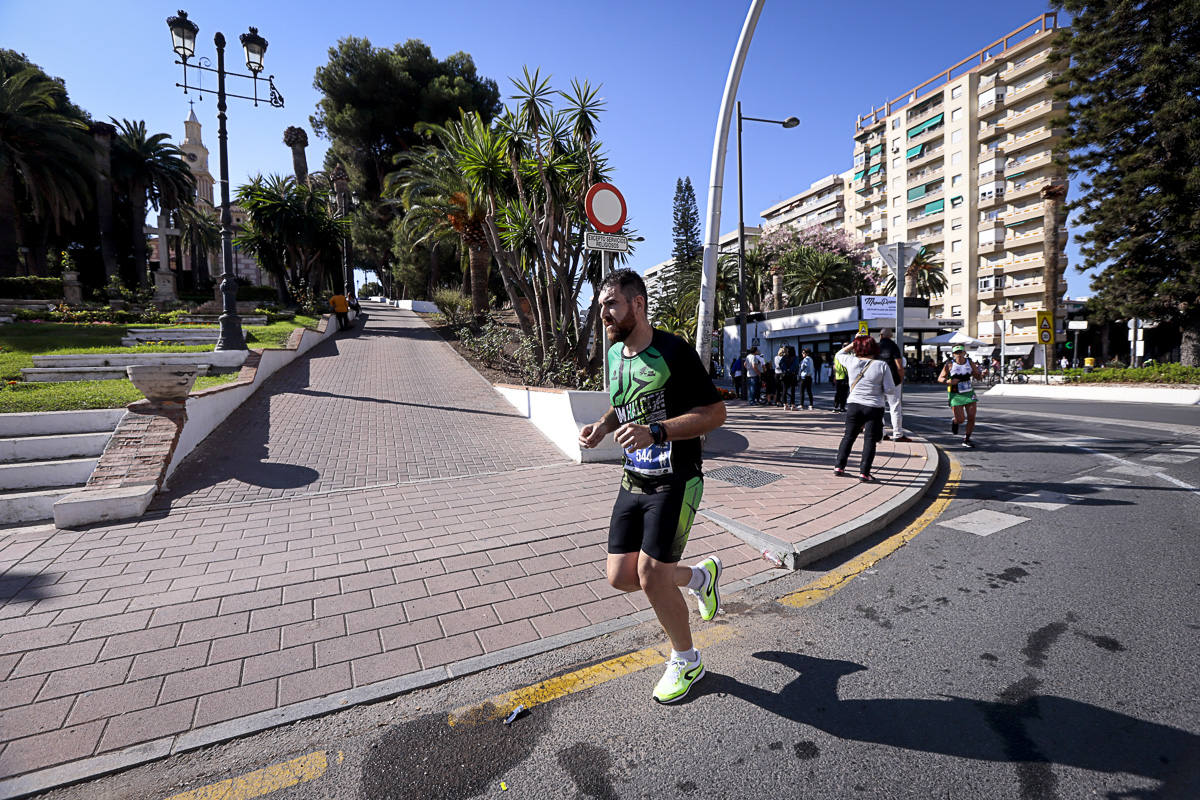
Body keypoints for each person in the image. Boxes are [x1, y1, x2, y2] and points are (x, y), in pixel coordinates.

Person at [579, 269, 727, 704]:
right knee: (621, 576)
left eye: (611, 304)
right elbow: (622, 402)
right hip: (634, 478)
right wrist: (604, 427)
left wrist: (657, 431)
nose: (603, 312)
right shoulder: (613, 352)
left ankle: (687, 659)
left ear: (637, 305)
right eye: (602, 304)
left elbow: (715, 414)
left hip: (676, 479)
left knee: (650, 575)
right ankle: (701, 578)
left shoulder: (673, 351)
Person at [834, 335, 896, 482]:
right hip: (874, 407)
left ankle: (839, 466)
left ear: (857, 348)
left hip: (854, 405)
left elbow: (838, 354)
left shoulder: (851, 361)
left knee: (849, 436)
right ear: (874, 348)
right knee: (869, 440)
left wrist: (852, 343)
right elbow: (890, 390)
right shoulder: (881, 365)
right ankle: (864, 472)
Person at [939, 344, 982, 448]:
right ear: (953, 354)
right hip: (955, 394)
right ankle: (955, 421)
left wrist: (980, 375)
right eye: (956, 353)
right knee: (961, 420)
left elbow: (977, 376)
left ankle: (966, 439)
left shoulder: (969, 362)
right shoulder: (949, 364)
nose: (959, 355)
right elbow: (940, 378)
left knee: (971, 417)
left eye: (960, 352)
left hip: (969, 393)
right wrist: (948, 381)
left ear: (964, 353)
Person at [877, 328, 910, 442]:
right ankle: (897, 434)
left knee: (879, 407)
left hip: (878, 380)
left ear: (881, 335)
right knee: (895, 407)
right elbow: (899, 365)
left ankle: (881, 433)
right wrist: (900, 379)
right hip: (893, 380)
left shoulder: (876, 347)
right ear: (891, 336)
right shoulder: (893, 346)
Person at [779, 346, 799, 410]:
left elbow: (780, 364)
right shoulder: (795, 358)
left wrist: (785, 370)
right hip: (792, 375)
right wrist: (792, 370)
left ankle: (785, 405)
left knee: (784, 390)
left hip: (785, 375)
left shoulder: (784, 357)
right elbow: (796, 366)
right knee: (793, 390)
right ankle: (792, 405)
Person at [832, 345, 850, 412]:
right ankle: (841, 407)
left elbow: (834, 366)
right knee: (843, 393)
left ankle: (836, 407)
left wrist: (834, 375)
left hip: (839, 376)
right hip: (845, 377)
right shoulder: (849, 355)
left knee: (839, 393)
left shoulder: (837, 355)